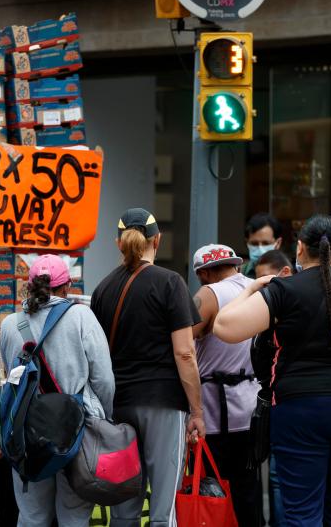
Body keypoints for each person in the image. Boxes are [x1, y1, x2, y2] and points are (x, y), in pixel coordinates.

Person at [215, 214, 331, 526]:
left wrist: (253, 289)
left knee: (302, 512)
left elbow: (224, 327)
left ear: (299, 248)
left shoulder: (284, 291)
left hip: (303, 405)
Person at [91, 208, 205, 527]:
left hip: (119, 404)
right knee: (162, 509)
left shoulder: (102, 289)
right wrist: (196, 411)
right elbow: (185, 353)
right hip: (163, 402)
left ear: (118, 244)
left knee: (123, 506)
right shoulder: (170, 283)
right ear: (157, 240)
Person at [0, 254, 114, 527]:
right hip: (76, 429)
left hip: (27, 432)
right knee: (74, 515)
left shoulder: (10, 325)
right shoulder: (81, 316)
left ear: (29, 286)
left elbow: (11, 375)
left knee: (32, 516)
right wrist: (105, 419)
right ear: (67, 287)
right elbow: (104, 379)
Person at [191, 244, 261, 526]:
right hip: (251, 407)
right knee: (249, 489)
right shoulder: (257, 290)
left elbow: (183, 344)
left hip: (214, 412)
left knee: (214, 489)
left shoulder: (208, 295)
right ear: (235, 264)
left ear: (205, 273)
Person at [250, 248, 294, 527]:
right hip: (284, 402)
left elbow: (225, 324)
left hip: (290, 402)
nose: (260, 289)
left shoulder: (288, 305)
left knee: (280, 478)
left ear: (285, 274)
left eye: (264, 282)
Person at [242, 213, 283, 278]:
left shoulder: (288, 274)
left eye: (266, 243)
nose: (260, 248)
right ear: (247, 243)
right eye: (254, 243)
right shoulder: (239, 273)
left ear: (278, 243)